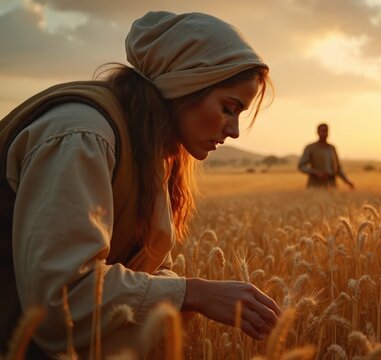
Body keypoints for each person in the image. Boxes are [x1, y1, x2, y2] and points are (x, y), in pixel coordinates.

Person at [0, 11, 281, 358]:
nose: (234, 130)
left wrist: (182, 292)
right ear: (184, 86)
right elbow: (60, 302)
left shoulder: (148, 148)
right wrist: (191, 293)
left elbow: (134, 269)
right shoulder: (82, 137)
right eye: (228, 108)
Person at [298, 123, 354, 189]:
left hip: (331, 184)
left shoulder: (332, 148)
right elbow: (301, 166)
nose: (325, 133)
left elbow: (338, 168)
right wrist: (316, 173)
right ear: (317, 132)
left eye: (326, 131)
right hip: (316, 186)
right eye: (322, 131)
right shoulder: (310, 148)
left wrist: (347, 181)